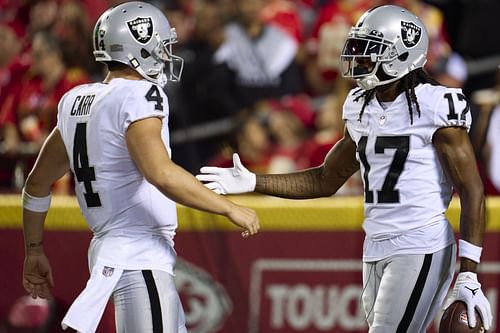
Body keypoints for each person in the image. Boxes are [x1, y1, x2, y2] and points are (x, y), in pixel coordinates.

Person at [197, 5, 493, 332]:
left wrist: (469, 271)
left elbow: (472, 189)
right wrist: (254, 180)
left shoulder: (436, 105)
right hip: (377, 241)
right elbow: (325, 179)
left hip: (421, 241)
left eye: (371, 51)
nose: (360, 59)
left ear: (401, 54)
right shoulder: (359, 105)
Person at [21, 2, 259, 333]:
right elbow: (160, 172)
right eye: (161, 46)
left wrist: (33, 249)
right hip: (137, 254)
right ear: (139, 48)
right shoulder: (141, 94)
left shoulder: (76, 101)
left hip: (117, 251)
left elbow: (36, 184)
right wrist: (228, 208)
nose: (165, 54)